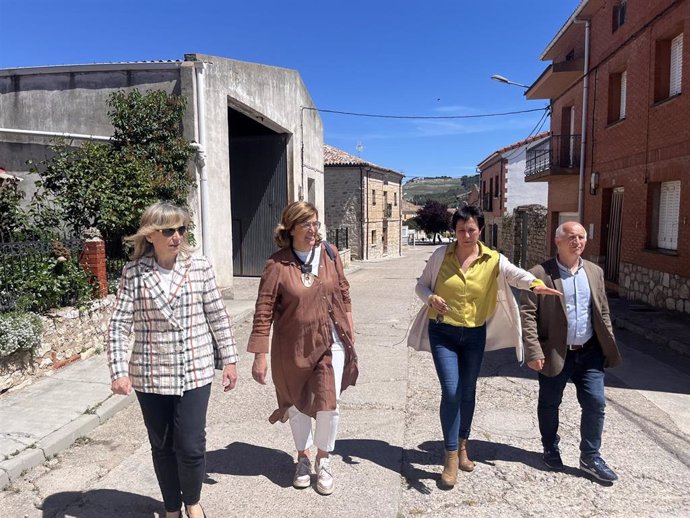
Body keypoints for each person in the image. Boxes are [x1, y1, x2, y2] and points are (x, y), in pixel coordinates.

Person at [408, 205, 561, 488]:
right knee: (451, 390)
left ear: (480, 230)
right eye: (460, 230)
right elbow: (421, 286)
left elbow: (517, 275)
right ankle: (451, 455)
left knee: (468, 391)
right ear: (453, 231)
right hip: (443, 332)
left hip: (474, 335)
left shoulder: (493, 259)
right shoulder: (442, 255)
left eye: (471, 230)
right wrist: (430, 299)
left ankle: (463, 444)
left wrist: (536, 285)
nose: (466, 235)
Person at [107, 201, 239, 518]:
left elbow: (217, 316)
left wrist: (230, 359)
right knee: (162, 446)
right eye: (168, 230)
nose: (177, 236)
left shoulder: (200, 267)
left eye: (181, 229)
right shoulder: (134, 272)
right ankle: (171, 507)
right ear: (151, 235)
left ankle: (192, 501)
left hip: (194, 368)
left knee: (191, 445)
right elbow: (119, 324)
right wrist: (118, 371)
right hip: (151, 373)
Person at [248, 201, 358, 496]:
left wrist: (349, 327)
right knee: (296, 402)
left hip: (330, 341)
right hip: (292, 345)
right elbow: (263, 310)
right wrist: (260, 355)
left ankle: (323, 459)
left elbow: (343, 291)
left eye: (316, 223)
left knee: (328, 403)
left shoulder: (330, 254)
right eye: (306, 224)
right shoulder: (277, 264)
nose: (313, 230)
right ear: (291, 229)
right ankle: (302, 458)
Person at [520, 221, 622, 482]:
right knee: (550, 403)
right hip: (555, 351)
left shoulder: (595, 272)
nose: (577, 242)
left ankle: (590, 455)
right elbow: (528, 315)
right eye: (571, 237)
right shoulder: (539, 274)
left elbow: (603, 311)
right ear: (558, 241)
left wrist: (607, 344)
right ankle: (550, 446)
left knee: (596, 403)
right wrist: (533, 351)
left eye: (581, 237)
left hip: (589, 352)